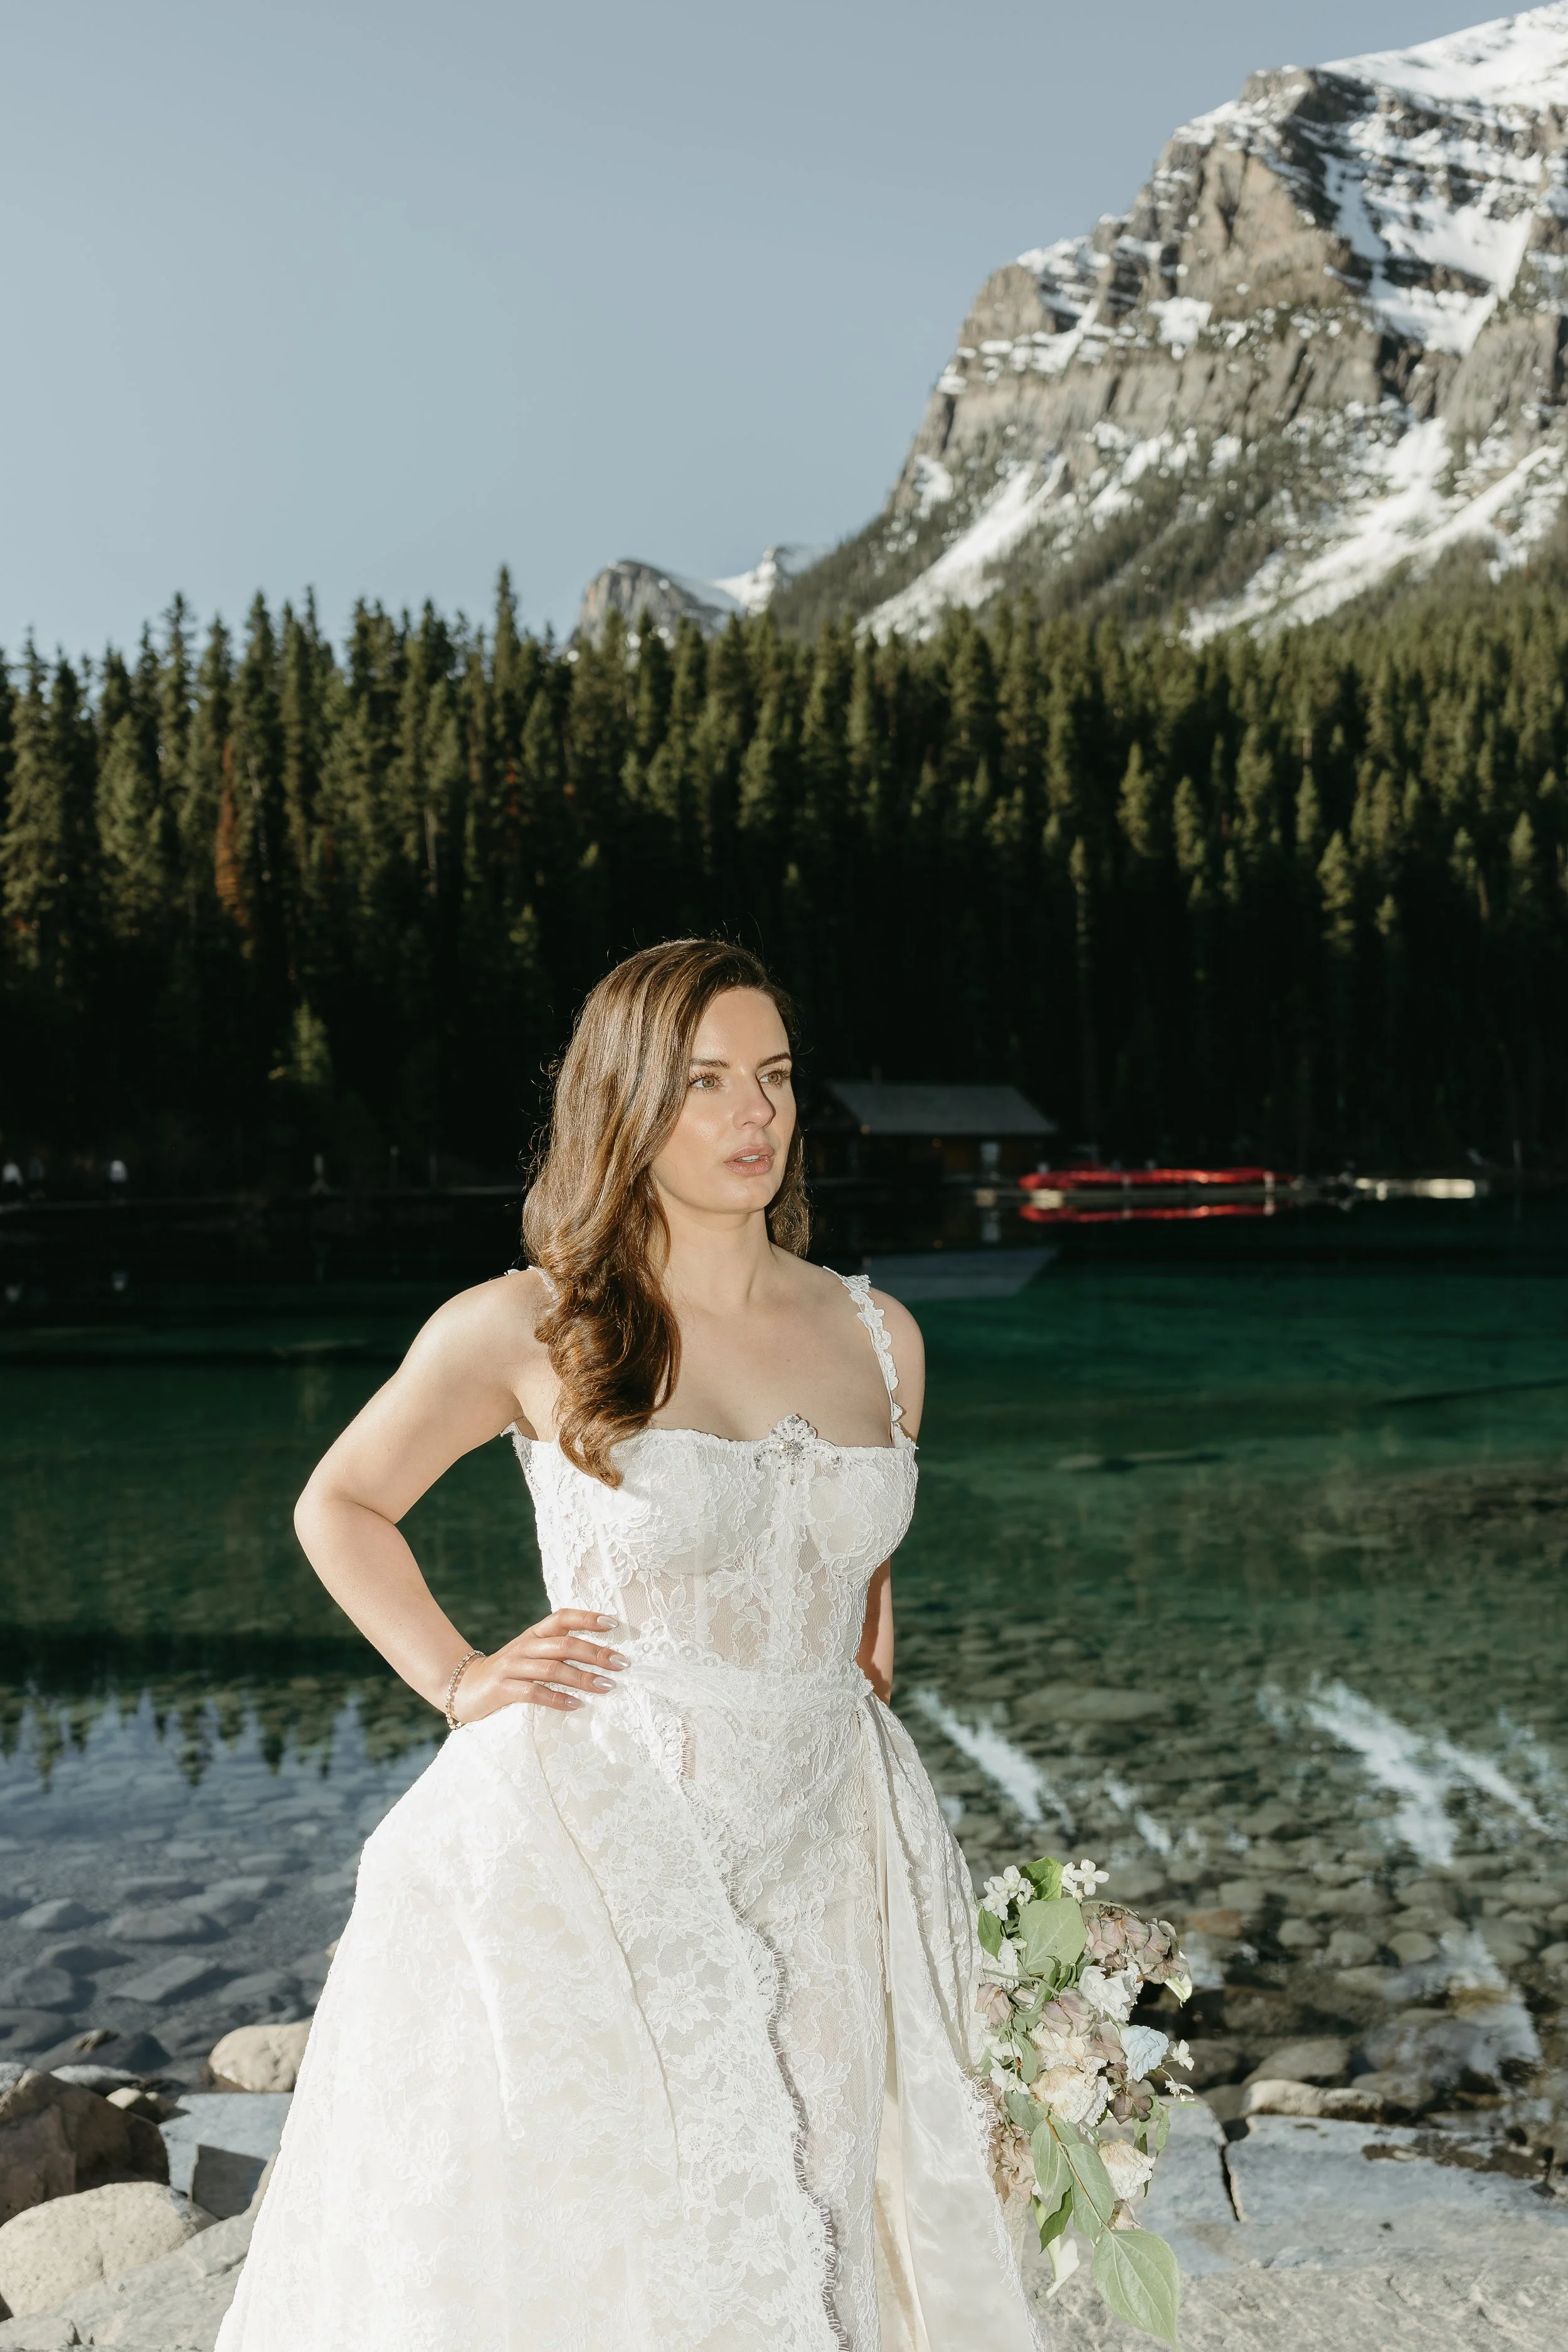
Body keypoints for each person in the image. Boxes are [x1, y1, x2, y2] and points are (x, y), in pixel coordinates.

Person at [218, 938, 1041, 2352]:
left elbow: (861, 1578)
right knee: (635, 2232)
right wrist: (459, 1676)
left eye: (774, 1079)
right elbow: (340, 1504)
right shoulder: (527, 1321)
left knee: (829, 2201)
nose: (753, 1117)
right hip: (607, 1838)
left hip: (837, 1843)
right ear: (627, 1105)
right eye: (707, 1082)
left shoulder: (883, 1332)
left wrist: (848, 1691)